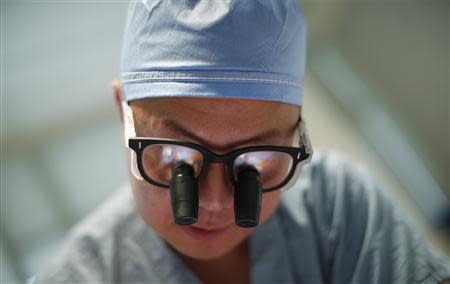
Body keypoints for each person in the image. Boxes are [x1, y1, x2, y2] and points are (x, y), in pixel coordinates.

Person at [36, 0, 450, 283]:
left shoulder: (337, 206)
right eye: (177, 157)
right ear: (121, 111)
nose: (215, 204)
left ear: (297, 130)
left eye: (254, 164)